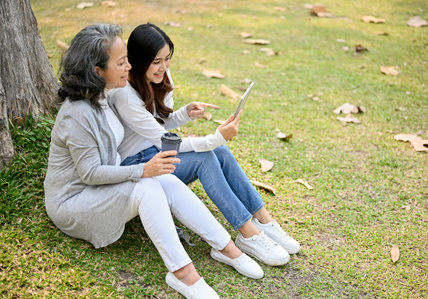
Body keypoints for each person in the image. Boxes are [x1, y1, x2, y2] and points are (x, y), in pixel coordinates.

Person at [44, 24, 264, 299]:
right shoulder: (77, 114)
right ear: (97, 71)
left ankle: (226, 247)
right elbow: (89, 174)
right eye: (122, 62)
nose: (129, 66)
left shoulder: (105, 97)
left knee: (165, 179)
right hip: (74, 202)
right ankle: (182, 272)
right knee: (149, 184)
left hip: (102, 189)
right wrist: (143, 170)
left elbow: (150, 124)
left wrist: (178, 118)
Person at [109, 23, 301, 268]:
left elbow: (160, 122)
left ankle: (263, 219)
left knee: (218, 151)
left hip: (158, 153)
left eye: (167, 59)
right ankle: (248, 233)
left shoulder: (158, 76)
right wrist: (216, 137)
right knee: (206, 155)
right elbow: (163, 139)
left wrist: (185, 113)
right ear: (138, 60)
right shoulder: (124, 95)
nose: (164, 67)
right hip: (139, 166)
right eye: (156, 61)